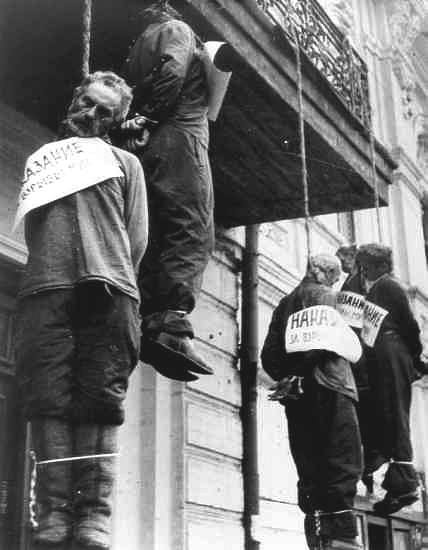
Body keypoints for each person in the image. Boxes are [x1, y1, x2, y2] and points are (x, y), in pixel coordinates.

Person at [14, 71, 148, 550]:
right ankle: (54, 512)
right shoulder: (43, 160)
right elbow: (36, 228)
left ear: (116, 120)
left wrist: (109, 268)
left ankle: (94, 514)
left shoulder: (126, 163)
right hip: (47, 286)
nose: (90, 114)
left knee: (100, 400)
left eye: (104, 112)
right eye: (87, 103)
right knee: (47, 398)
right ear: (75, 98)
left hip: (109, 289)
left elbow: (136, 236)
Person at [121, 0, 214, 382]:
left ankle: (152, 324)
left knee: (157, 232)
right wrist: (151, 115)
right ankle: (171, 326)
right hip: (181, 140)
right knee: (193, 228)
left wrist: (143, 120)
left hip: (153, 147)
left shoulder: (138, 48)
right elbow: (174, 70)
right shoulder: (176, 30)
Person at [261, 255, 362, 550]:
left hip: (297, 397)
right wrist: (303, 371)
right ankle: (342, 535)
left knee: (309, 462)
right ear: (322, 273)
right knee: (343, 457)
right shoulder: (329, 297)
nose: (334, 282)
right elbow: (326, 341)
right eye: (333, 276)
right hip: (332, 386)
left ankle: (317, 534)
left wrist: (288, 377)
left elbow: (269, 355)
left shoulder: (284, 304)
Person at [357, 244, 423, 515]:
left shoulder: (390, 286)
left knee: (394, 414)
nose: (364, 272)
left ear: (382, 266)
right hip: (382, 358)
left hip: (392, 354)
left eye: (367, 267)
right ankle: (394, 484)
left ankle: (405, 485)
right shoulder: (377, 289)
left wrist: (415, 357)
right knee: (385, 415)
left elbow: (410, 326)